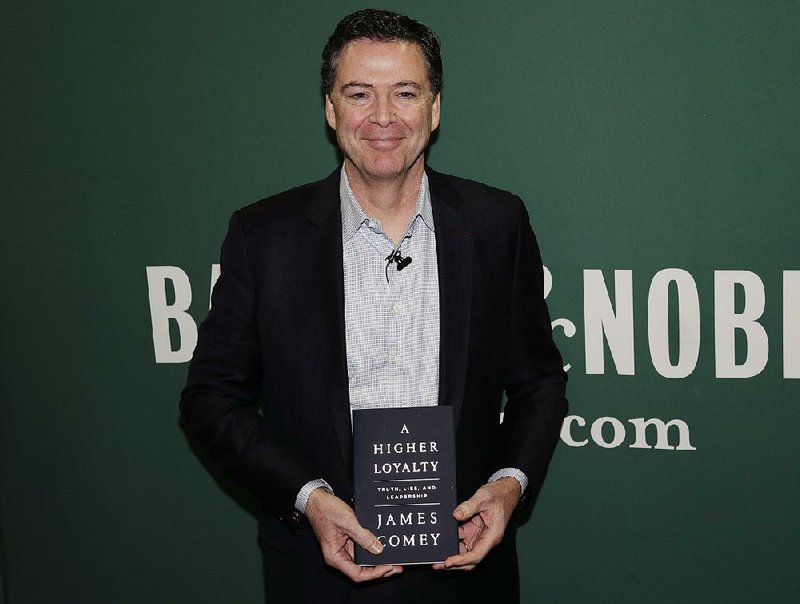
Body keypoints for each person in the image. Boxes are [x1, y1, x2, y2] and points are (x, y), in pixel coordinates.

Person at [180, 8, 567, 604]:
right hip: (318, 574)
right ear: (331, 110)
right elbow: (209, 398)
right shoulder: (264, 237)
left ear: (434, 109)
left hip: (466, 575)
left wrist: (509, 485)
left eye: (405, 93)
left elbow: (540, 380)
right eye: (359, 94)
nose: (383, 117)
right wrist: (307, 498)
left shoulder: (496, 223)